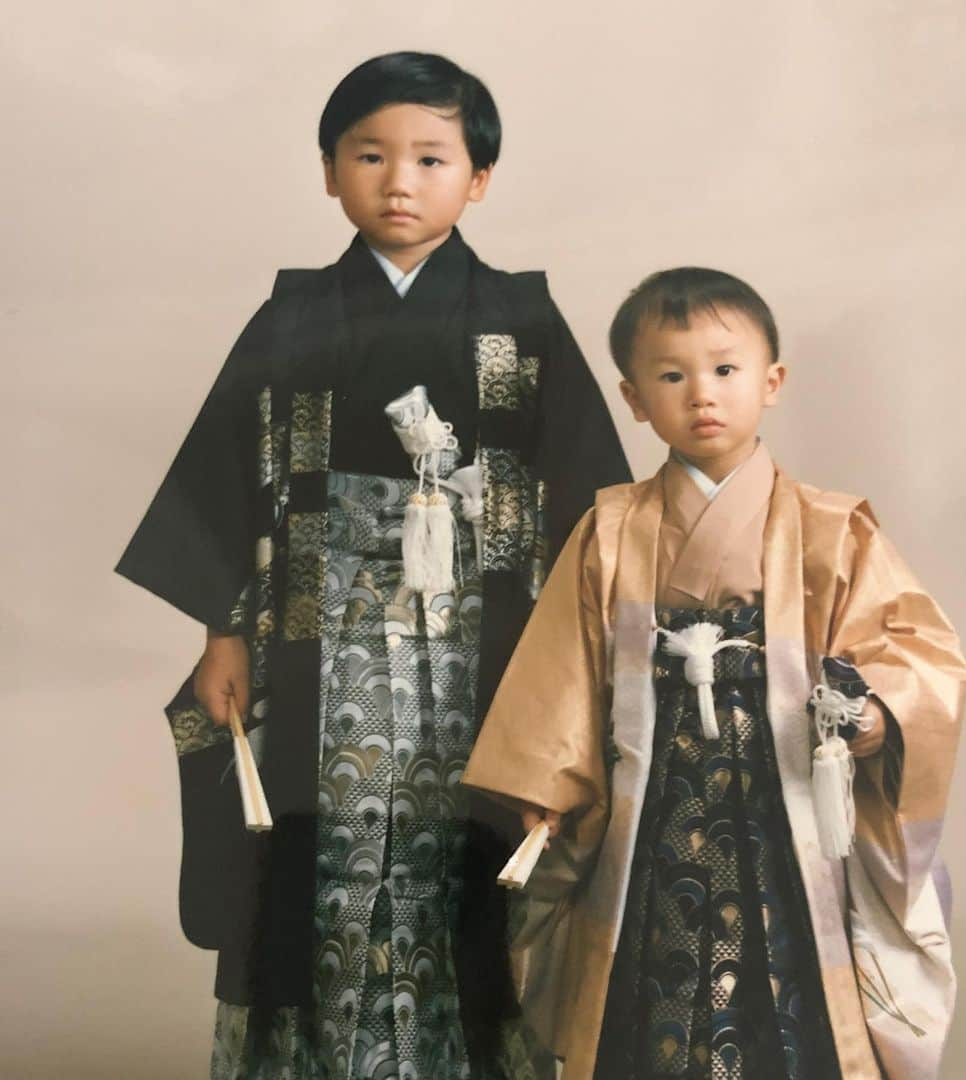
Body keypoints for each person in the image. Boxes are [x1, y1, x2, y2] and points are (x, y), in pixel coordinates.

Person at [116, 51, 628, 1080]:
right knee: (317, 857)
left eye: (432, 159)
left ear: (477, 178)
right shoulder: (295, 315)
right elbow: (223, 476)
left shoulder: (520, 317)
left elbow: (588, 497)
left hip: (482, 641)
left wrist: (571, 666)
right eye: (371, 155)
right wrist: (222, 630)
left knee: (470, 850)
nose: (400, 181)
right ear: (328, 171)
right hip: (319, 633)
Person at [463, 268, 966, 1079]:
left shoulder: (831, 528)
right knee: (647, 980)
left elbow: (914, 652)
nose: (703, 394)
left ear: (772, 382)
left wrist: (878, 716)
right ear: (633, 398)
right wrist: (545, 783)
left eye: (726, 370)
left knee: (788, 988)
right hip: (652, 808)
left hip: (784, 805)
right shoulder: (612, 529)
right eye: (672, 375)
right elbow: (563, 671)